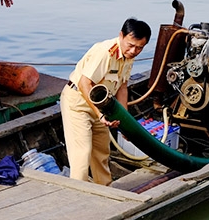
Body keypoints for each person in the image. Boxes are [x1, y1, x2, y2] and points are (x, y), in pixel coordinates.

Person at [60, 18, 152, 185]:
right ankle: (76, 196)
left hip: (101, 106)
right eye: (130, 45)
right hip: (78, 103)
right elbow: (84, 83)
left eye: (139, 48)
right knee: (82, 154)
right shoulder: (104, 52)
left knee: (102, 153)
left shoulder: (128, 56)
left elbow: (122, 87)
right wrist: (99, 114)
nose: (133, 51)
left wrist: (125, 122)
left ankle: (105, 190)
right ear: (121, 35)